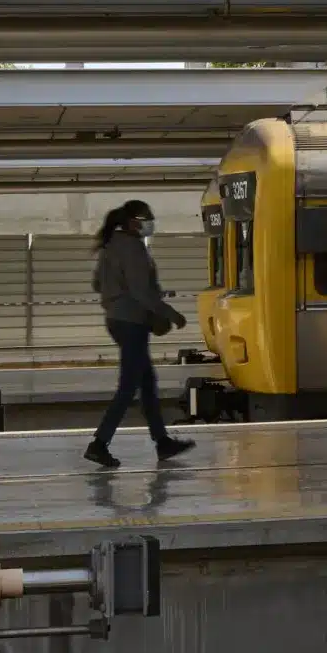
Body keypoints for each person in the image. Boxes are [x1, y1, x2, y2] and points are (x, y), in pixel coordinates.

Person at [85, 201, 196, 469]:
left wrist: (118, 295)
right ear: (134, 222)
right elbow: (140, 292)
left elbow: (97, 283)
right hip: (132, 323)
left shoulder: (111, 245)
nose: (151, 223)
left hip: (117, 319)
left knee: (147, 384)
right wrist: (170, 313)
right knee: (128, 387)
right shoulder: (133, 247)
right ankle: (99, 445)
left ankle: (163, 442)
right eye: (148, 219)